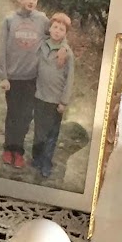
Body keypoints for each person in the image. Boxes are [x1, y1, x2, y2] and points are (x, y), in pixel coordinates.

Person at [0, 0, 48, 169]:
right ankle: (8, 148)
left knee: (26, 116)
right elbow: (2, 49)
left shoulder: (42, 20)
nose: (31, 1)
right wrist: (3, 76)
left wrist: (62, 51)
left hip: (32, 78)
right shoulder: (10, 21)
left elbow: (55, 39)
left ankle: (18, 151)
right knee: (13, 114)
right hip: (14, 78)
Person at [30, 12, 76, 178]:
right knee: (39, 130)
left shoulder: (67, 53)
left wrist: (64, 101)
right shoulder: (42, 45)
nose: (57, 31)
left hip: (55, 100)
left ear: (66, 33)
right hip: (39, 96)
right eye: (55, 27)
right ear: (49, 28)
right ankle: (36, 157)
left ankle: (46, 163)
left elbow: (70, 79)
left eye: (61, 29)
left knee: (51, 134)